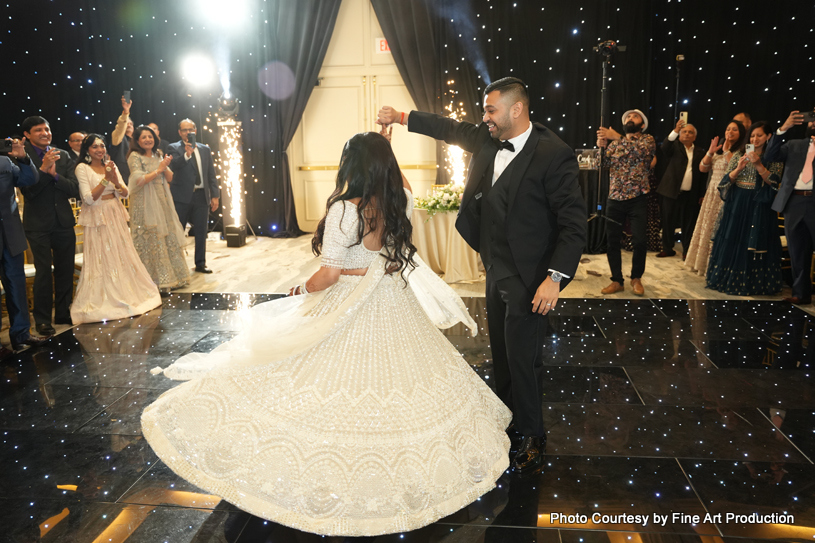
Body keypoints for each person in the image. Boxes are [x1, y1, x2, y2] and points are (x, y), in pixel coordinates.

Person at [142, 131, 511, 536]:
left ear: (349, 165)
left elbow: (329, 274)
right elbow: (401, 187)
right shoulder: (399, 201)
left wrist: (301, 289)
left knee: (315, 376)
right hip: (393, 299)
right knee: (401, 379)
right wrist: (387, 153)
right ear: (387, 166)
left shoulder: (343, 210)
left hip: (351, 300)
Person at [377, 77, 587, 474]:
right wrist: (402, 117)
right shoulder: (489, 137)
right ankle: (507, 419)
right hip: (495, 267)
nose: (485, 117)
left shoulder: (554, 154)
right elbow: (448, 128)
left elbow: (574, 224)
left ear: (516, 110)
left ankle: (533, 435)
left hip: (531, 275)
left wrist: (555, 278)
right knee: (504, 355)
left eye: (491, 110)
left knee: (524, 358)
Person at [72, 134, 161, 324]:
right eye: (95, 147)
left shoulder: (111, 164)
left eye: (102, 146)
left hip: (114, 213)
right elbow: (88, 198)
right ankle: (105, 298)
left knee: (121, 253)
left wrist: (115, 181)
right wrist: (106, 180)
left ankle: (127, 292)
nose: (100, 150)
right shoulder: (82, 168)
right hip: (98, 216)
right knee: (102, 255)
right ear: (87, 149)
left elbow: (125, 192)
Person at [706, 122, 783, 295]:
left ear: (768, 137)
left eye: (760, 136)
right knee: (734, 237)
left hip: (759, 204)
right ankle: (729, 279)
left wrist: (758, 165)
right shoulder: (740, 153)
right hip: (738, 201)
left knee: (754, 240)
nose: (755, 139)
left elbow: (775, 182)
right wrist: (739, 168)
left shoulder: (774, 157)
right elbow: (727, 179)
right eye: (753, 136)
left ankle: (754, 283)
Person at [20, 116, 80, 336]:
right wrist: (44, 170)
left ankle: (63, 312)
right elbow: (30, 192)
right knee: (44, 272)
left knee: (65, 270)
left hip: (63, 221)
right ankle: (43, 319)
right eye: (38, 130)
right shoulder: (21, 156)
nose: (45, 133)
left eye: (47, 129)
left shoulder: (62, 155)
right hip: (38, 225)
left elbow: (74, 188)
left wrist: (54, 174)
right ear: (27, 134)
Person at [596, 108, 655, 296]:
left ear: (642, 124)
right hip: (615, 197)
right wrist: (602, 147)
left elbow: (639, 153)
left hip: (637, 197)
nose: (630, 118)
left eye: (635, 116)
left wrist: (616, 137)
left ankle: (636, 278)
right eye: (628, 116)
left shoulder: (647, 140)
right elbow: (601, 165)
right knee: (612, 241)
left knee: (639, 241)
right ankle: (617, 280)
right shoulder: (615, 143)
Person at [0, 137, 49, 356]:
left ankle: (21, 334)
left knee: (17, 287)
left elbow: (30, 179)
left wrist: (22, 157)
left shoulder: (5, 161)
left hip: (10, 234)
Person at [127, 125, 190, 291]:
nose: (148, 139)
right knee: (151, 238)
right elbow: (136, 181)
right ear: (137, 141)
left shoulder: (157, 154)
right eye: (144, 137)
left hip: (161, 199)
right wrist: (159, 169)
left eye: (150, 136)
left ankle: (172, 278)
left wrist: (165, 166)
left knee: (167, 236)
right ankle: (153, 282)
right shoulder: (135, 156)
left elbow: (169, 177)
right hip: (144, 201)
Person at [684, 120, 746, 276]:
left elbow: (734, 166)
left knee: (718, 229)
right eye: (727, 129)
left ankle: (716, 265)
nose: (729, 132)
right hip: (711, 193)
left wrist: (726, 152)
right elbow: (702, 168)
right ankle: (702, 264)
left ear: (741, 134)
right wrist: (711, 151)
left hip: (726, 194)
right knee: (706, 229)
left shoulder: (741, 151)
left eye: (734, 130)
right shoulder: (719, 150)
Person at [767, 110, 815, 304]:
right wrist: (783, 129)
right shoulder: (794, 145)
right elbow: (771, 155)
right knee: (798, 249)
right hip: (794, 201)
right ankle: (801, 294)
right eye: (812, 119)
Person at [168, 119, 220, 274]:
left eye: (190, 129)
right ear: (179, 132)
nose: (188, 133)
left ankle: (200, 263)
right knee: (178, 231)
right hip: (181, 197)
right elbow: (174, 166)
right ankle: (177, 265)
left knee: (201, 232)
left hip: (201, 196)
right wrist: (187, 154)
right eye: (184, 130)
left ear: (195, 131)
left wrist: (215, 195)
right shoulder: (174, 147)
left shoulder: (204, 149)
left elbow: (211, 174)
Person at [656, 120, 707, 259]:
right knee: (667, 221)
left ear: (695, 137)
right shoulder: (674, 147)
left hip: (691, 194)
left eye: (691, 132)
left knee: (689, 223)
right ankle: (667, 248)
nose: (687, 134)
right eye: (684, 131)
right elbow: (664, 147)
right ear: (679, 135)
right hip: (670, 191)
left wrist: (702, 194)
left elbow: (704, 175)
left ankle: (686, 251)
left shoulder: (701, 151)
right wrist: (675, 130)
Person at [110, 96, 135, 182]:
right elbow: (120, 128)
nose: (128, 125)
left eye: (130, 124)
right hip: (122, 179)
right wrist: (126, 112)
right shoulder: (117, 138)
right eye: (126, 123)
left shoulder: (137, 141)